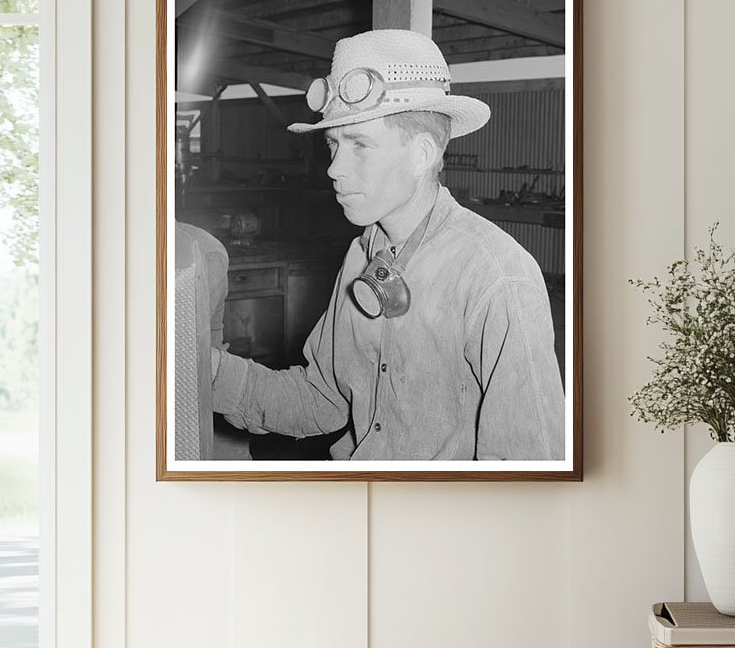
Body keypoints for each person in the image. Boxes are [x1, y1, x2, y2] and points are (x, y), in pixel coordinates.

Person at [211, 28, 565, 461]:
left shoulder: (496, 277)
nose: (334, 169)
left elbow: (526, 468)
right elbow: (320, 400)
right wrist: (205, 370)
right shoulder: (361, 255)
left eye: (360, 145)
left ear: (422, 155)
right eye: (334, 144)